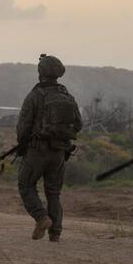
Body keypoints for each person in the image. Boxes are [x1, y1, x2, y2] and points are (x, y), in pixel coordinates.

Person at [15, 54, 82, 241]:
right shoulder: (67, 96)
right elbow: (78, 124)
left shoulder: (35, 95)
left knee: (26, 185)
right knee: (53, 192)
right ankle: (56, 233)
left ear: (40, 72)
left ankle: (41, 218)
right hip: (60, 152)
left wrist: (22, 145)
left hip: (37, 150)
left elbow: (23, 126)